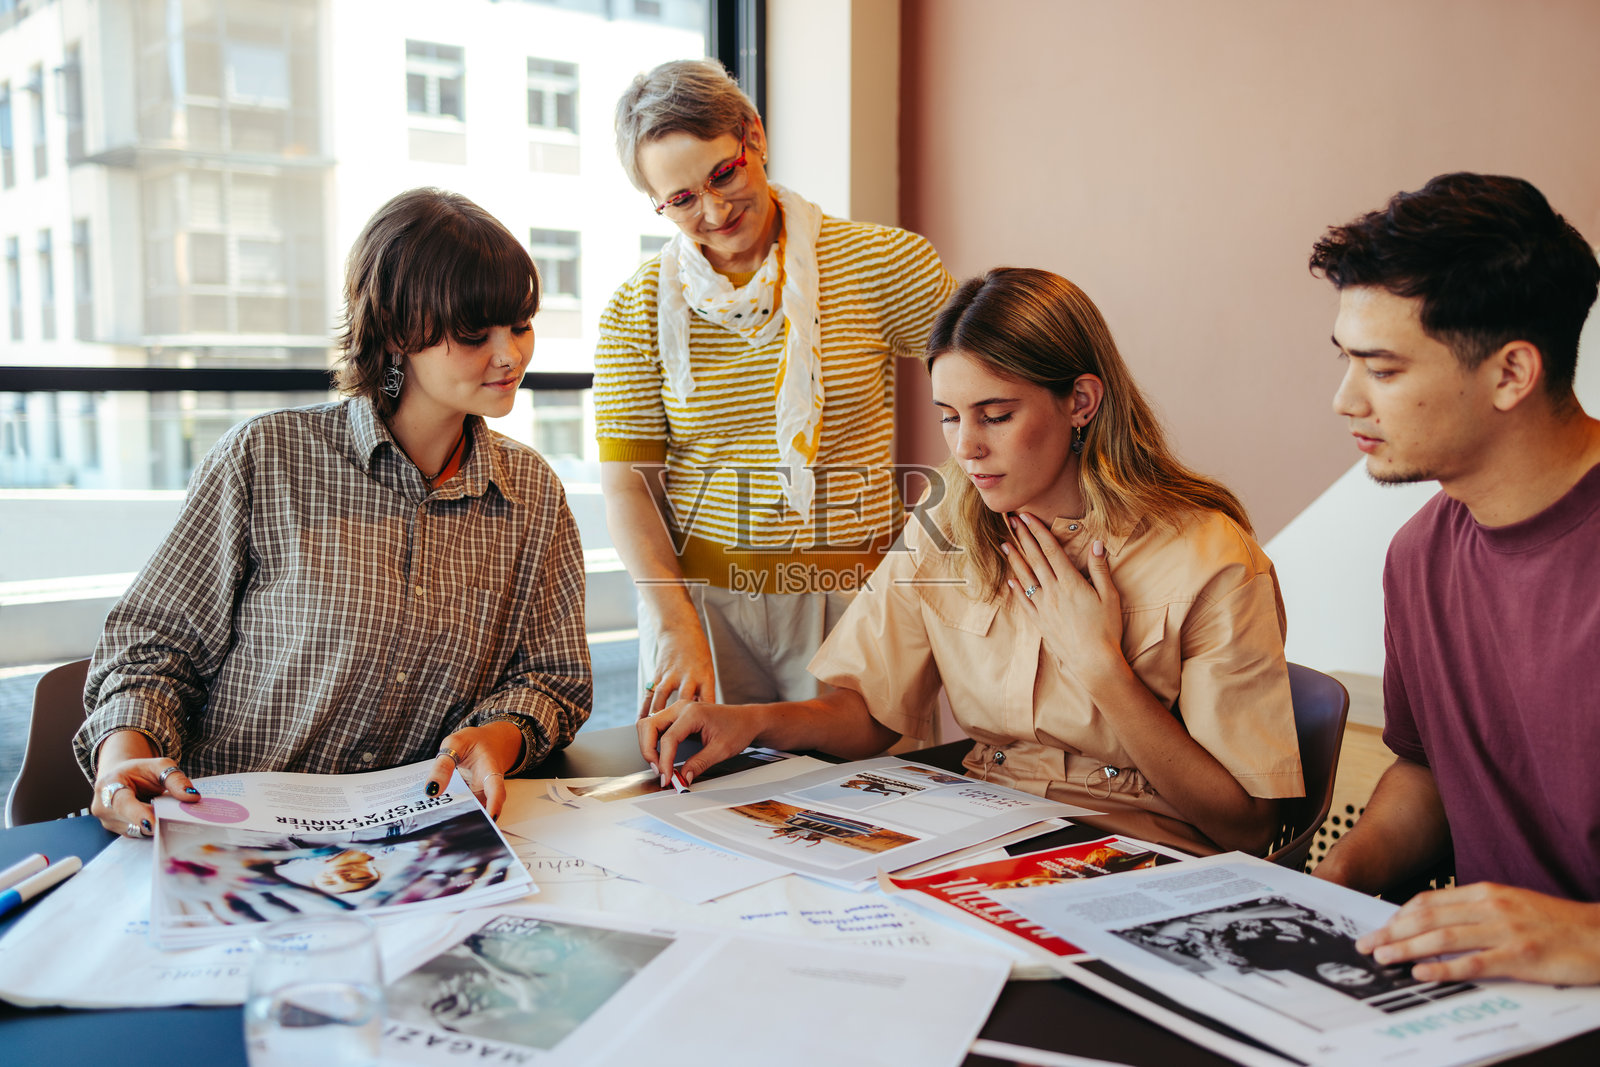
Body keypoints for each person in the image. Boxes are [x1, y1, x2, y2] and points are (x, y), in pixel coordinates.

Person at [640, 268, 1304, 855]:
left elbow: (1245, 827)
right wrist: (751, 719)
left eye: (995, 414)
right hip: (979, 831)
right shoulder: (947, 520)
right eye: (951, 417)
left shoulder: (1209, 555)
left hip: (1135, 851)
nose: (967, 447)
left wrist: (1102, 667)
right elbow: (870, 713)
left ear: (1081, 402)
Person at [75, 188, 592, 834]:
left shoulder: (532, 495)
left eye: (519, 324)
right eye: (474, 333)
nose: (510, 354)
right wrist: (124, 755)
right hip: (225, 836)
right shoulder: (265, 459)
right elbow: (151, 650)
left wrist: (500, 736)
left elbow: (553, 677)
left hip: (410, 849)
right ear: (400, 331)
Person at [1307, 172, 1600, 986]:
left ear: (1512, 373)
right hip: (1487, 1000)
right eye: (1346, 361)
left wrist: (1585, 936)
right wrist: (1328, 887)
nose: (1344, 399)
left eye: (1383, 369)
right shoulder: (1420, 553)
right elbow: (1429, 772)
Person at [595, 59, 956, 716]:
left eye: (723, 173)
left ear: (752, 136)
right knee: (698, 804)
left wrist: (941, 521)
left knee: (869, 806)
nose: (713, 209)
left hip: (851, 601)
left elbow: (994, 382)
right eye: (680, 200)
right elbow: (628, 487)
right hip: (697, 610)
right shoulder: (636, 307)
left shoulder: (884, 263)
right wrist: (677, 625)